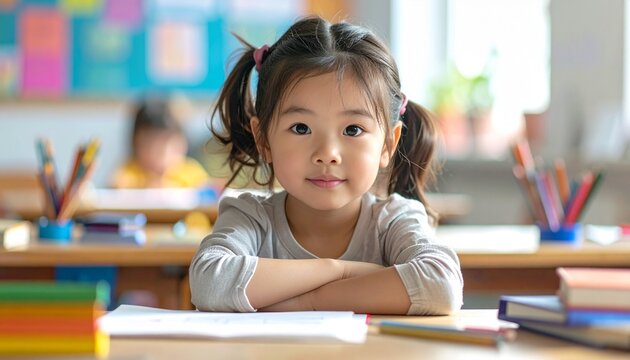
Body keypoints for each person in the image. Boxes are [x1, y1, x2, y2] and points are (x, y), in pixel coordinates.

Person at [190, 16, 463, 315]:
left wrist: (310, 302)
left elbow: (442, 285)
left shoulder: (392, 220)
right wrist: (338, 270)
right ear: (263, 140)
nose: (327, 154)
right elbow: (209, 283)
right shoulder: (251, 217)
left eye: (353, 130)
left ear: (388, 144)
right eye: (301, 128)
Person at [111, 98, 210, 188]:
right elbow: (115, 191)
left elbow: (208, 195)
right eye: (149, 143)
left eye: (166, 141)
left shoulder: (192, 173)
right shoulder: (127, 174)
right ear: (135, 143)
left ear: (183, 142)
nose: (159, 150)